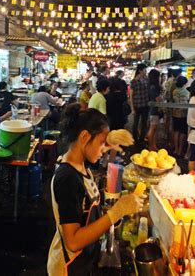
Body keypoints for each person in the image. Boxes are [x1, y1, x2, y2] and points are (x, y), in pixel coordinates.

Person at [48, 105, 143, 275]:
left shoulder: (80, 164)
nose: (103, 151)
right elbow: (74, 242)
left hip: (84, 260)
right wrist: (117, 212)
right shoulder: (67, 178)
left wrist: (105, 142)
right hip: (68, 266)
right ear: (84, 136)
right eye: (101, 143)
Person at [130, 64, 150, 144]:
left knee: (144, 123)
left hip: (145, 105)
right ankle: (135, 139)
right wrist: (132, 108)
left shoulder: (146, 79)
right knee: (136, 123)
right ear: (140, 71)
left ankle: (141, 139)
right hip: (137, 105)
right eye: (145, 70)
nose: (146, 72)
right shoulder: (134, 81)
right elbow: (131, 96)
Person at [172, 76, 189, 158]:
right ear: (184, 83)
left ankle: (176, 149)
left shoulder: (174, 91)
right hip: (183, 114)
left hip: (175, 113)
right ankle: (180, 150)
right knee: (182, 132)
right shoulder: (186, 92)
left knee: (176, 131)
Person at [147, 69, 162, 151]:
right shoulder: (153, 87)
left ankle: (153, 145)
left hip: (154, 110)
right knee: (152, 128)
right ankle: (150, 146)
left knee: (154, 129)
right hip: (154, 110)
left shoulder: (152, 86)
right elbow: (157, 99)